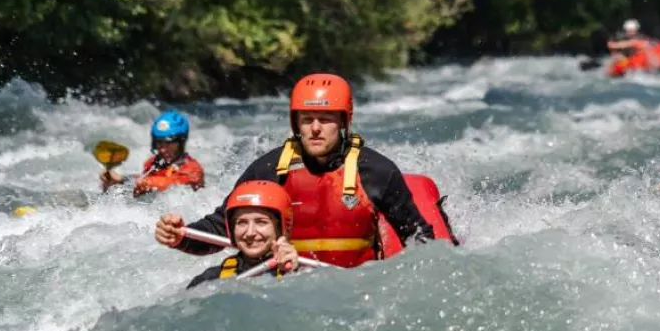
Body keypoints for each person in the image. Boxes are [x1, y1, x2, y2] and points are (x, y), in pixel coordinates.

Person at [154, 73, 434, 268]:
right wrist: (182, 236)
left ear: (344, 122)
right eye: (307, 119)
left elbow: (419, 238)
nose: (314, 128)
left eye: (325, 119)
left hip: (357, 288)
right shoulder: (268, 169)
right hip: (289, 287)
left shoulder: (376, 171)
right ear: (294, 122)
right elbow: (223, 226)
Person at [185, 180, 301, 288]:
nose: (250, 233)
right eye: (242, 223)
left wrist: (291, 274)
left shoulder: (302, 276)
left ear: (281, 227)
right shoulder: (208, 280)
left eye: (261, 222)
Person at [101, 110, 205, 197]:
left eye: (169, 142)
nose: (163, 149)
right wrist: (113, 184)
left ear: (181, 142)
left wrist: (124, 179)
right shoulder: (152, 163)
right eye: (159, 142)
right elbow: (140, 188)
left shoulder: (193, 169)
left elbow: (171, 185)